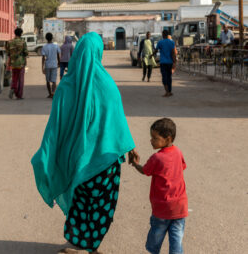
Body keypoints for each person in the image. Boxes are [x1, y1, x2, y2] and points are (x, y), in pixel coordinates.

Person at [31, 32, 138, 254]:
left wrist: (48, 154)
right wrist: (131, 147)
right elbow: (117, 122)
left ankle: (80, 243)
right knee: (101, 205)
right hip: (104, 161)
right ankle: (90, 245)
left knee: (81, 203)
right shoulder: (107, 85)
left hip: (76, 161)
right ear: (99, 53)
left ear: (78, 53)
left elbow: (55, 127)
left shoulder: (65, 87)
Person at [129, 118, 188, 254]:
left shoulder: (157, 158)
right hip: (180, 206)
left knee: (156, 236)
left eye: (155, 138)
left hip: (162, 207)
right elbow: (182, 167)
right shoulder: (178, 152)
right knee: (176, 240)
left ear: (167, 139)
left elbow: (145, 171)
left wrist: (135, 163)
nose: (151, 141)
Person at [6, 27, 28, 100]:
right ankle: (19, 95)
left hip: (13, 63)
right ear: (21, 34)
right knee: (21, 80)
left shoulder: (10, 42)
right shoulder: (23, 42)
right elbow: (26, 53)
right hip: (21, 63)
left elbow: (8, 53)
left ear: (14, 33)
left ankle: (13, 88)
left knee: (14, 77)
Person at [155, 30, 176, 97]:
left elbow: (156, 50)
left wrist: (152, 55)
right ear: (167, 35)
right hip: (170, 62)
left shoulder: (160, 42)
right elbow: (173, 53)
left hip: (163, 62)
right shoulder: (172, 42)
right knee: (169, 77)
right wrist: (174, 62)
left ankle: (167, 92)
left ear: (163, 35)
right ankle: (169, 91)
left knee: (164, 77)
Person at [42, 32, 61, 98]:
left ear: (46, 38)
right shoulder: (56, 46)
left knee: (47, 81)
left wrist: (42, 67)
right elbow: (58, 55)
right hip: (54, 65)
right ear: (52, 38)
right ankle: (53, 92)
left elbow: (43, 58)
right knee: (54, 80)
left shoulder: (44, 47)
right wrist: (59, 62)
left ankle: (50, 93)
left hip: (47, 65)